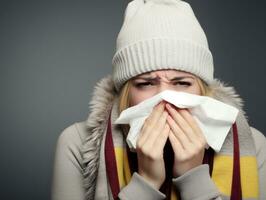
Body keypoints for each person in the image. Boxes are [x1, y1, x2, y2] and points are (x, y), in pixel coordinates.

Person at [51, 0, 266, 199]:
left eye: (182, 83)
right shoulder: (77, 143)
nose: (165, 99)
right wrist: (146, 182)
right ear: (126, 91)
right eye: (146, 83)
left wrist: (194, 178)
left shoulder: (254, 145)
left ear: (202, 89)